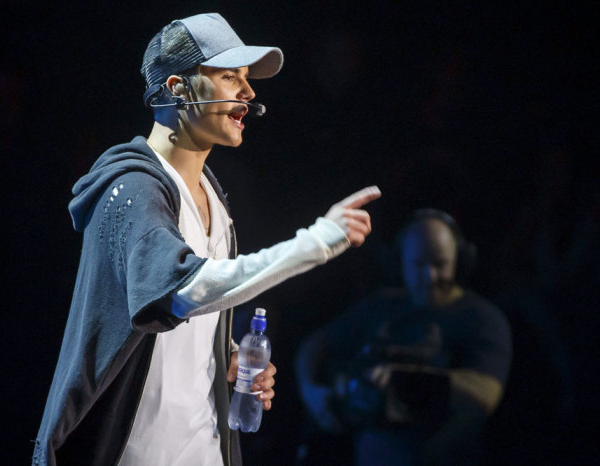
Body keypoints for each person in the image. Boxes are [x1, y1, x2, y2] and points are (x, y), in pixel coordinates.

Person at [31, 12, 381, 466]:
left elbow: (185, 319)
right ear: (178, 88)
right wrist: (315, 242)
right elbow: (182, 289)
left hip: (205, 450)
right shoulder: (132, 188)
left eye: (247, 79)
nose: (249, 93)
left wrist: (222, 359)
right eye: (230, 77)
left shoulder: (215, 198)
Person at [295, 209, 512, 465]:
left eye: (440, 264)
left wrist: (403, 380)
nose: (430, 276)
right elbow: (315, 345)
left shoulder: (482, 318)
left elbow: (486, 394)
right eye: (419, 265)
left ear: (460, 260)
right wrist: (312, 392)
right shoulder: (381, 305)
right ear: (400, 264)